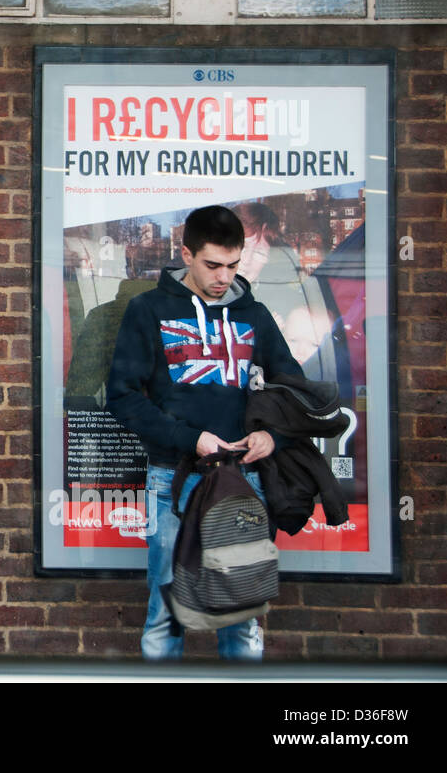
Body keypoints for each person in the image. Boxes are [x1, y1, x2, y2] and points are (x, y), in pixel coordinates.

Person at [105, 205, 301, 660]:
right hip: (172, 478)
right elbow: (122, 397)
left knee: (242, 614)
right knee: (165, 613)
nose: (223, 277)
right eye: (213, 264)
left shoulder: (254, 314)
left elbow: (294, 392)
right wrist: (190, 438)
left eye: (233, 265)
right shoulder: (147, 310)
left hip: (243, 479)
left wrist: (273, 435)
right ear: (186, 253)